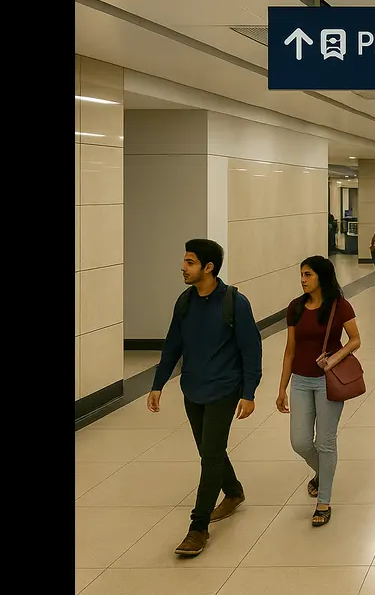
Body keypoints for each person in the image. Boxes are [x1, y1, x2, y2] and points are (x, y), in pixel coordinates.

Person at [148, 239, 261, 557]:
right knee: (210, 450)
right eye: (184, 262)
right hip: (192, 389)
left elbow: (251, 349)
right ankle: (234, 492)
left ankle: (198, 528)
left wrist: (249, 392)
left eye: (189, 262)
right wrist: (158, 384)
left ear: (208, 267)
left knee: (209, 455)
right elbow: (173, 345)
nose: (183, 267)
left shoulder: (234, 302)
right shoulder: (184, 302)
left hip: (224, 390)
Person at [276, 256, 360, 527]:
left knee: (325, 442)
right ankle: (323, 473)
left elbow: (355, 340)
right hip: (300, 381)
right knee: (299, 441)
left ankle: (323, 501)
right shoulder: (295, 308)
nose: (302, 279)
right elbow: (290, 350)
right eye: (301, 274)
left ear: (321, 277)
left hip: (328, 381)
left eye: (308, 274)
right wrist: (282, 388)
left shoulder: (339, 306)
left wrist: (334, 359)